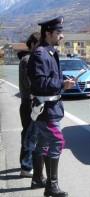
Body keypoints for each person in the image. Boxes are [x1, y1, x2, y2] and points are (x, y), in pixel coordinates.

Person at [27, 15, 75, 197]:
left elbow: (49, 79)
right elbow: (40, 83)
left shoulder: (50, 51)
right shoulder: (40, 54)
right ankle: (51, 187)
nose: (61, 36)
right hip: (46, 109)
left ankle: (38, 179)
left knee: (45, 142)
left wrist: (63, 81)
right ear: (48, 33)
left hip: (50, 107)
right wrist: (63, 84)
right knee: (57, 141)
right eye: (58, 32)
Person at [17, 32, 41, 178]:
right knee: (30, 135)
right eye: (39, 44)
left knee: (31, 134)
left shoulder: (28, 59)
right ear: (32, 44)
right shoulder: (28, 60)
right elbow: (29, 83)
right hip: (29, 103)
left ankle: (27, 163)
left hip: (29, 102)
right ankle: (26, 167)